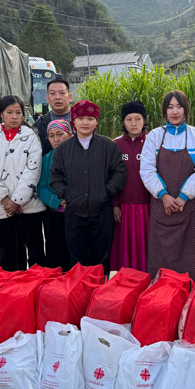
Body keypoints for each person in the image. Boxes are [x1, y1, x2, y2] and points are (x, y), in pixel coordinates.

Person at [51, 100, 126, 276]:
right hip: (74, 212)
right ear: (73, 122)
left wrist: (106, 192)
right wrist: (67, 194)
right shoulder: (63, 149)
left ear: (96, 123)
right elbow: (55, 177)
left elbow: (120, 172)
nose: (85, 123)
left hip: (102, 211)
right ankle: (80, 295)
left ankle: (99, 294)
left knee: (102, 257)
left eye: (90, 118)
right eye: (81, 118)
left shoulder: (108, 146)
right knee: (77, 257)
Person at [140, 90, 195, 280]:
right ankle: (161, 298)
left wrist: (183, 197)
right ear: (164, 111)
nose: (175, 111)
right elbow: (146, 169)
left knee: (192, 259)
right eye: (170, 107)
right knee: (160, 259)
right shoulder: (154, 137)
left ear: (186, 109)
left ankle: (190, 300)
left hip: (191, 209)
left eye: (179, 106)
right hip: (161, 207)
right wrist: (163, 195)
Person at [0, 95, 46, 271]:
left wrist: (18, 200)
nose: (14, 116)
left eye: (18, 112)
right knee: (8, 255)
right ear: (1, 114)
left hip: (29, 207)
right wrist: (5, 200)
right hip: (1, 208)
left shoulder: (31, 137)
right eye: (10, 112)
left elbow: (33, 170)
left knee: (35, 253)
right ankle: (11, 294)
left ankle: (35, 291)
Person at [111, 101, 150, 273]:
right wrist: (115, 204)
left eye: (137, 118)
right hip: (124, 208)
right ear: (123, 122)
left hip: (148, 207)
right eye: (129, 119)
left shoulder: (152, 142)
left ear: (144, 120)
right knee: (124, 250)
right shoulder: (115, 145)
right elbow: (110, 176)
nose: (133, 123)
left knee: (147, 249)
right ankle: (125, 286)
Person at [38, 119, 73, 270]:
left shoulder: (78, 156)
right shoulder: (46, 159)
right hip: (54, 215)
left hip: (76, 213)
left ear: (70, 135)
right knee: (54, 253)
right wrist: (57, 201)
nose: (56, 139)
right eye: (51, 136)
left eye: (60, 134)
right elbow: (41, 187)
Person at [33, 78, 73, 156]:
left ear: (70, 97)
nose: (57, 97)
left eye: (62, 93)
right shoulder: (40, 125)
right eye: (53, 93)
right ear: (47, 98)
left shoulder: (81, 122)